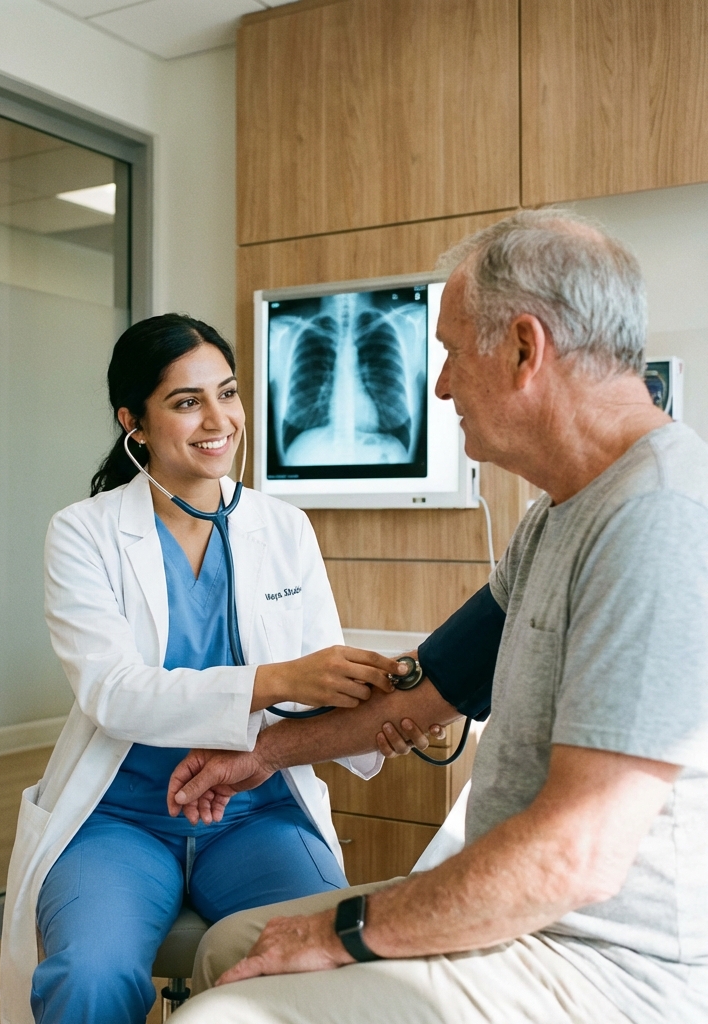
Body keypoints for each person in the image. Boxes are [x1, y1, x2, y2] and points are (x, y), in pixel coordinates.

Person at [166, 210, 708, 1024]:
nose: (441, 386)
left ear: (524, 349)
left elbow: (578, 853)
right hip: (522, 915)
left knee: (224, 1013)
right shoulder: (557, 514)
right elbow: (427, 691)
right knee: (227, 946)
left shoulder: (657, 519)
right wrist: (262, 753)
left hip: (606, 963)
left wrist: (343, 932)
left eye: (452, 351)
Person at [0, 313, 427, 1024]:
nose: (217, 419)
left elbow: (320, 694)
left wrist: (382, 713)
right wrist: (277, 679)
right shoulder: (84, 532)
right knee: (89, 976)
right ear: (133, 423)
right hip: (120, 819)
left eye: (226, 393)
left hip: (258, 814)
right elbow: (112, 692)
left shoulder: (283, 528)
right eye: (186, 401)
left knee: (328, 964)